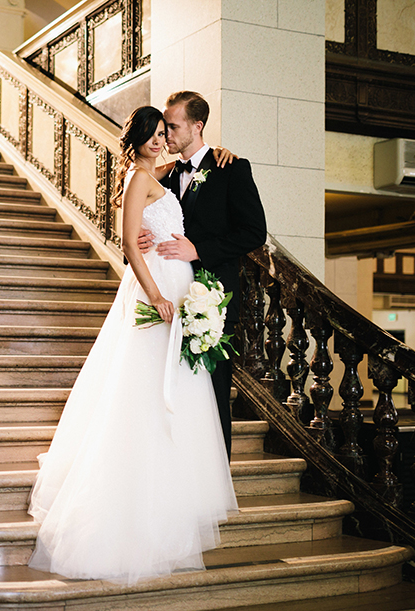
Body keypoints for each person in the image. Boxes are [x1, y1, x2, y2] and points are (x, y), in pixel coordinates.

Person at [27, 106, 238, 585]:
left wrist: (218, 153)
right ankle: (130, 503)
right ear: (139, 136)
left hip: (182, 291)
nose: (162, 139)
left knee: (176, 394)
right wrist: (158, 295)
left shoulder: (157, 172)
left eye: (166, 132)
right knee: (142, 390)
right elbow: (127, 240)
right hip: (157, 292)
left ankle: (171, 493)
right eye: (154, 133)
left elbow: (182, 172)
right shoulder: (138, 178)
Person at [143, 90, 268, 459]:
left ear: (198, 126)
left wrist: (199, 251)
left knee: (213, 385)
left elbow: (253, 232)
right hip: (169, 288)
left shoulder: (231, 167)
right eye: (164, 127)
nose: (166, 134)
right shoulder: (161, 175)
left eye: (173, 126)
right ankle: (175, 464)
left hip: (213, 294)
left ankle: (216, 472)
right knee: (172, 381)